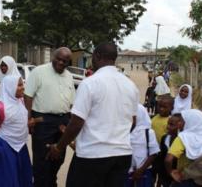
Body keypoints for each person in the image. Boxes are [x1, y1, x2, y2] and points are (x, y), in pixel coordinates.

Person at [46, 42, 140, 187]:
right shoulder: (130, 86)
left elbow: (76, 123)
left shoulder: (90, 83)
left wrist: (59, 147)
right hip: (122, 156)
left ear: (97, 56)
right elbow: (133, 122)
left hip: (92, 156)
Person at [24, 47, 75, 187]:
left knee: (59, 157)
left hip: (63, 121)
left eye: (65, 61)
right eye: (58, 59)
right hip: (43, 121)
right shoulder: (39, 72)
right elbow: (28, 96)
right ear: (53, 57)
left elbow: (72, 102)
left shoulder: (69, 76)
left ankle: (51, 182)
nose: (61, 63)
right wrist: (28, 119)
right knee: (42, 160)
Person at [0, 75, 33, 187]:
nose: (23, 87)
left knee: (23, 178)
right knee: (6, 181)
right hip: (5, 147)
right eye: (20, 85)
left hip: (21, 147)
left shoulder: (21, 102)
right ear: (10, 87)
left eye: (23, 84)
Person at [125, 104, 160, 187]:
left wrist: (141, 170)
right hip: (126, 171)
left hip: (143, 170)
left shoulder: (148, 132)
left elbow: (153, 153)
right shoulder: (124, 130)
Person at [165, 110, 202, 186]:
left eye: (182, 121)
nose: (179, 123)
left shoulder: (183, 137)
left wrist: (170, 172)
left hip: (184, 178)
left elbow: (168, 160)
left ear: (191, 122)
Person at [151, 94, 174, 186]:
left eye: (164, 107)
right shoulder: (154, 118)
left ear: (171, 108)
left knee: (162, 174)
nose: (161, 109)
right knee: (153, 173)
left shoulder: (170, 121)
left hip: (163, 153)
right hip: (153, 152)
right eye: (159, 106)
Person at [158, 115, 179, 187]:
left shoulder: (183, 142)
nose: (167, 127)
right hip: (165, 177)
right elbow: (161, 159)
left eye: (171, 125)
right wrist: (159, 181)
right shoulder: (164, 138)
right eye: (168, 123)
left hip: (177, 178)